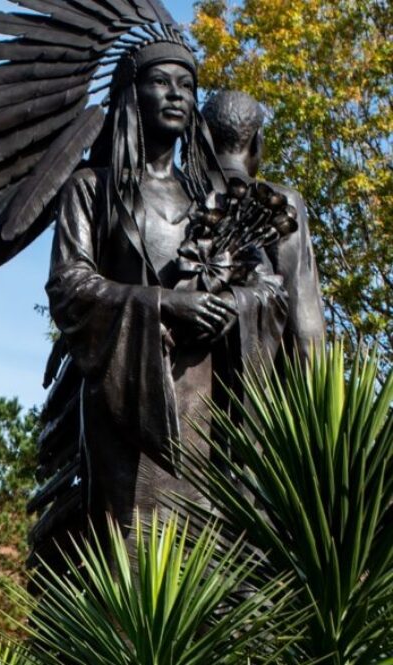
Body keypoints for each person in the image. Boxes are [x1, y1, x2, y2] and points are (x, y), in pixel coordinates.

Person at [34, 37, 289, 561]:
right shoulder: (92, 188)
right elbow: (70, 284)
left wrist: (233, 309)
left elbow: (267, 287)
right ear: (132, 93)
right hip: (127, 394)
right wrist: (164, 304)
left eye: (187, 85)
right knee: (129, 551)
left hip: (204, 401)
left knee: (202, 555)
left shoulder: (212, 200)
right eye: (161, 82)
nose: (176, 94)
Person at [202, 90, 325, 361]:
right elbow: (304, 324)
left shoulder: (176, 193)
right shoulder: (280, 202)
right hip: (255, 384)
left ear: (201, 141)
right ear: (258, 142)